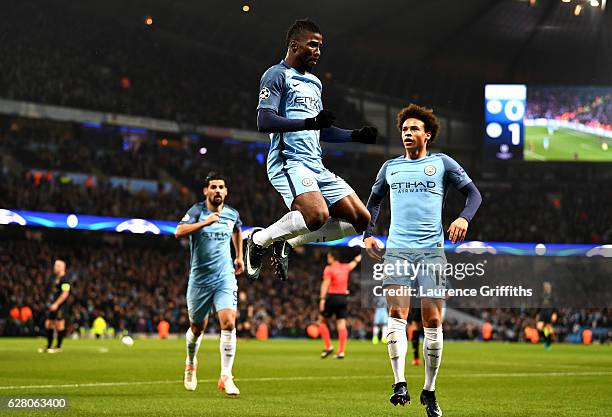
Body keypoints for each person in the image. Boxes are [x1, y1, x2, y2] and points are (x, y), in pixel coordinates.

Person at [364, 104, 482, 414]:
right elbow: (373, 202)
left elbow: (474, 195)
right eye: (404, 129)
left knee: (432, 321)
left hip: (431, 250)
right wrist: (368, 233)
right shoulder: (390, 167)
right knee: (397, 315)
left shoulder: (441, 163)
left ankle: (429, 391)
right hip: (398, 249)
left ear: (426, 135)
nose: (407, 133)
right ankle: (399, 382)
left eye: (414, 129)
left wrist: (464, 218)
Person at [244, 18, 377, 282]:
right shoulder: (276, 74)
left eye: (320, 47)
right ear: (294, 45)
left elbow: (321, 130)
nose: (318, 51)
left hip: (316, 164)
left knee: (362, 220)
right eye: (312, 45)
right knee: (317, 215)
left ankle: (288, 243)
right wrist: (310, 122)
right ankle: (258, 239)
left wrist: (355, 135)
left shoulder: (315, 83)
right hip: (289, 161)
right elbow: (264, 121)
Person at [175, 172, 244, 396]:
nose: (217, 191)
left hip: (224, 277)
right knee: (198, 328)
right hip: (199, 279)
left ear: (226, 192)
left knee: (229, 322)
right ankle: (190, 363)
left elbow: (237, 230)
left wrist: (239, 256)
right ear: (206, 191)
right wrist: (205, 222)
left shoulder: (232, 213)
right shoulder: (197, 211)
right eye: (213, 187)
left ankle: (226, 376)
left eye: (220, 187)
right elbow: (179, 231)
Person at [318, 251, 361, 359]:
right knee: (341, 325)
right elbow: (354, 262)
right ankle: (341, 351)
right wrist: (363, 253)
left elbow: (325, 284)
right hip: (343, 298)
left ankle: (328, 346)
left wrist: (322, 299)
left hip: (333, 297)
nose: (328, 259)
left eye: (328, 257)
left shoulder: (329, 268)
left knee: (321, 321)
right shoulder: (345, 267)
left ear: (332, 258)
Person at [38, 259, 73, 353]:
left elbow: (65, 293)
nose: (55, 267)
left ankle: (58, 347)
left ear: (62, 267)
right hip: (53, 304)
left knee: (59, 324)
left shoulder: (65, 279)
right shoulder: (55, 278)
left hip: (60, 305)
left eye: (57, 266)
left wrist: (57, 304)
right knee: (48, 324)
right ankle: (49, 346)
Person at [536, 281, 557, 351]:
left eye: (546, 286)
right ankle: (546, 340)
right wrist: (537, 314)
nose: (545, 287)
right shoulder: (541, 295)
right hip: (542, 313)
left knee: (548, 329)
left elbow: (555, 306)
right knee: (539, 327)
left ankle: (548, 343)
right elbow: (539, 306)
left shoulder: (552, 296)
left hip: (549, 313)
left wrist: (554, 313)